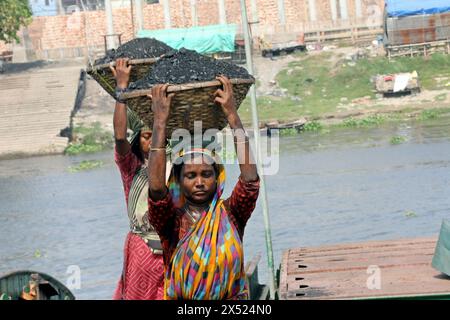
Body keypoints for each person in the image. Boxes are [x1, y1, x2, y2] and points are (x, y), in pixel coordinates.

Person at [147, 76, 260, 300]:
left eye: (206, 174)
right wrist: (159, 123)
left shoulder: (231, 213)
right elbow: (157, 191)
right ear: (177, 181)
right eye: (190, 175)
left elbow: (250, 182)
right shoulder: (172, 221)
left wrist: (232, 116)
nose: (199, 182)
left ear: (217, 177)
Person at [110, 58, 164, 300]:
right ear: (138, 141)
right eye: (145, 136)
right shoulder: (132, 168)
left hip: (173, 250)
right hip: (142, 252)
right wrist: (122, 87)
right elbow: (120, 137)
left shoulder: (176, 165)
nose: (151, 141)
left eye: (156, 135)